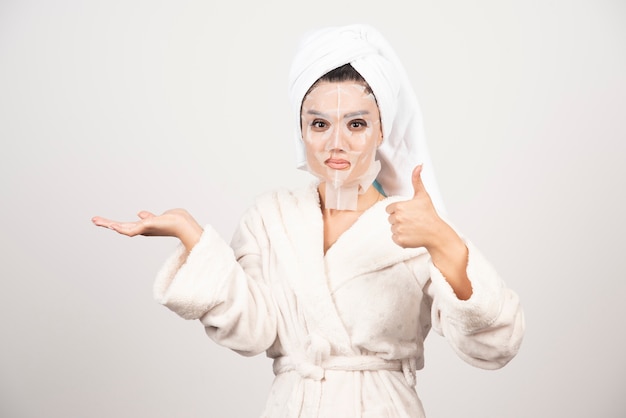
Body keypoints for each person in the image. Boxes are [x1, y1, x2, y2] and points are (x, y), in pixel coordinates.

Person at [92, 24, 524, 418]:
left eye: (356, 124)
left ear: (382, 131)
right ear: (300, 130)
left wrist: (444, 243)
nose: (336, 143)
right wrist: (192, 235)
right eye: (319, 123)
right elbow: (253, 332)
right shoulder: (270, 217)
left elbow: (495, 346)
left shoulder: (417, 223)